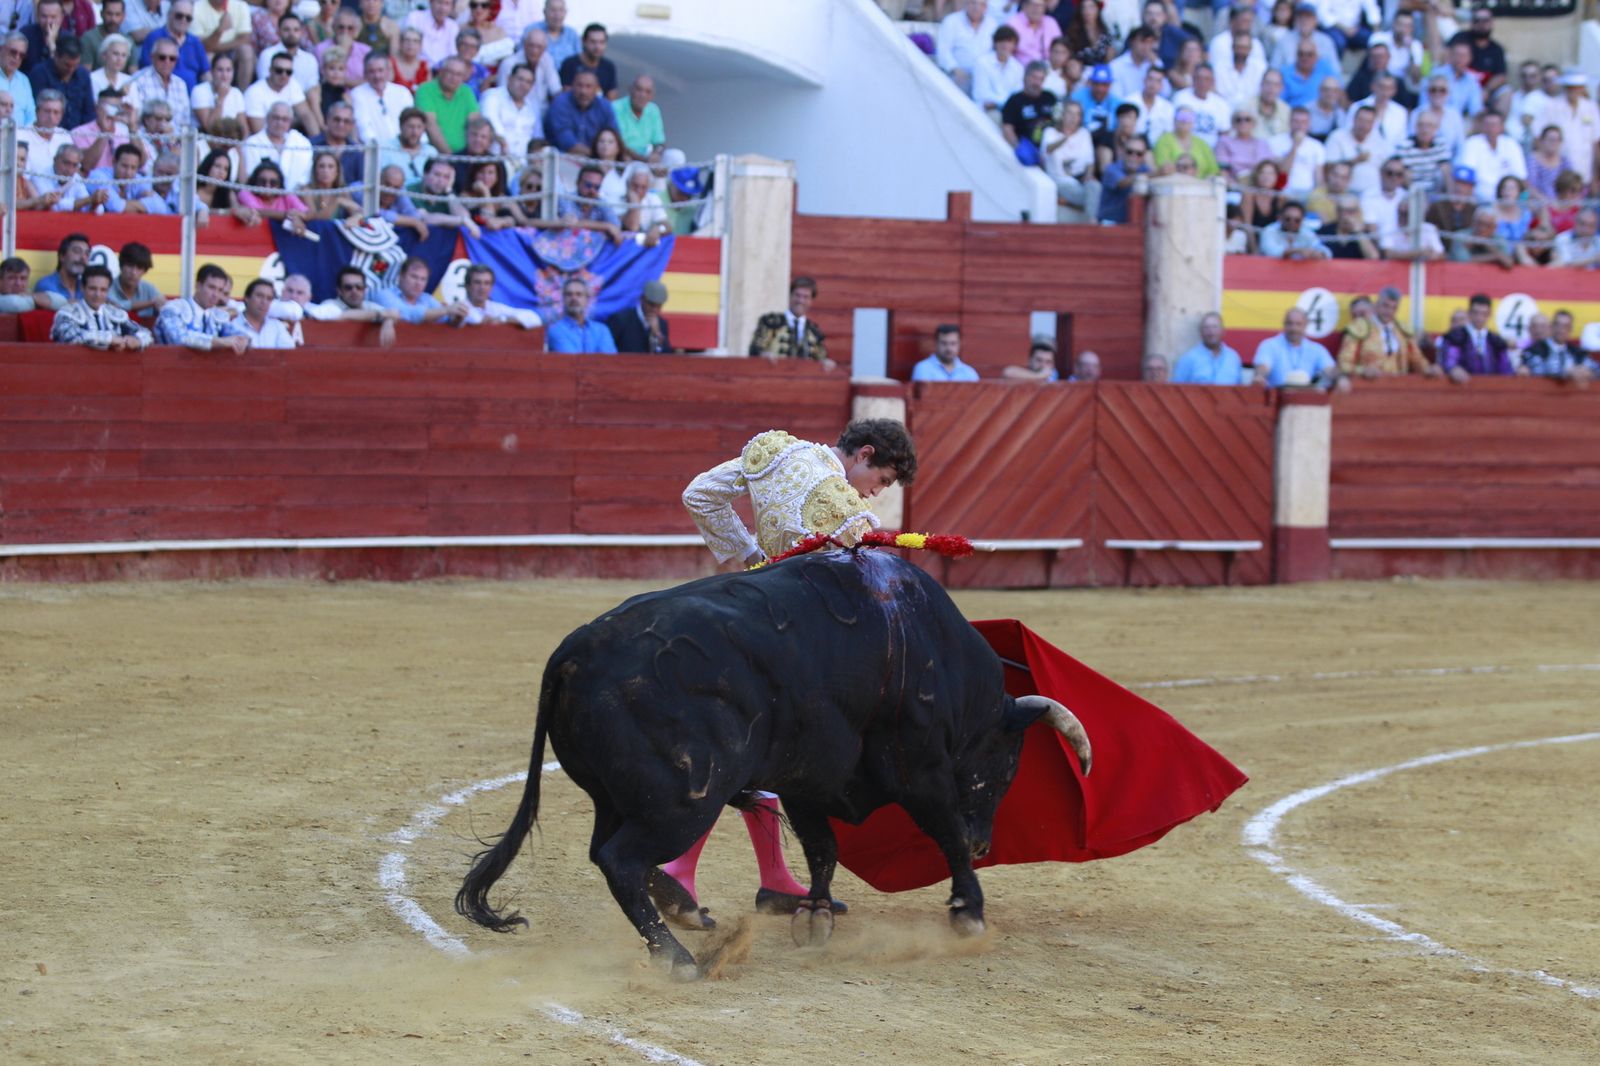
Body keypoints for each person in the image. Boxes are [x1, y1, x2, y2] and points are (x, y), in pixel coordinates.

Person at [665, 419, 918, 923]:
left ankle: (771, 879)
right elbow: (867, 579)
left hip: (750, 616)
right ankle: (679, 869)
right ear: (864, 453)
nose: (877, 491)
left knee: (761, 751)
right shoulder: (845, 510)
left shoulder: (775, 453)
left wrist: (749, 558)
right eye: (883, 479)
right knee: (754, 753)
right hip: (798, 642)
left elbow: (699, 495)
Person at [50, 264, 154, 349]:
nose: (98, 295)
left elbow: (144, 333)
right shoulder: (68, 313)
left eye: (103, 290)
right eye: (92, 289)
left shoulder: (114, 314)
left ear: (108, 290)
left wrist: (137, 341)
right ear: (82, 288)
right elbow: (69, 336)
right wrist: (109, 339)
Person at [1337, 286, 1432, 378]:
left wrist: (1427, 369)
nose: (1389, 311)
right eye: (1385, 306)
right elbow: (1343, 364)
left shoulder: (1402, 331)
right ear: (1376, 305)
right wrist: (1363, 371)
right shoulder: (1359, 328)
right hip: (1367, 387)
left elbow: (1416, 359)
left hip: (1399, 387)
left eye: (1393, 308)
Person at [155, 263, 250, 352]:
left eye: (220, 290)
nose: (216, 295)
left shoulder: (218, 315)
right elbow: (179, 338)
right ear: (198, 285)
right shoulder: (173, 309)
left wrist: (244, 340)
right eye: (211, 287)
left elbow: (236, 334)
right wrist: (220, 342)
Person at [307, 264, 399, 347]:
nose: (354, 291)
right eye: (348, 287)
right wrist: (380, 315)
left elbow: (396, 313)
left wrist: (388, 321)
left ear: (365, 290)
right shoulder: (329, 305)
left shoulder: (369, 306)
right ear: (339, 291)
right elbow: (342, 315)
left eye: (359, 287)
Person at [749, 277, 829, 368]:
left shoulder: (814, 331)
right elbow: (755, 350)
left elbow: (822, 358)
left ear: (811, 301)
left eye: (806, 297)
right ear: (790, 296)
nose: (800, 301)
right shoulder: (770, 323)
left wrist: (826, 362)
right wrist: (764, 354)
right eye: (797, 295)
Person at [1437, 294, 1517, 383]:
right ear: (1469, 313)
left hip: (1491, 387)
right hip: (1462, 387)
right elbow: (1449, 360)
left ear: (1489, 314)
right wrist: (1453, 368)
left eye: (1484, 314)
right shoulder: (1455, 336)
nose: (1479, 317)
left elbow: (1505, 368)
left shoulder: (1496, 340)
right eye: (1476, 313)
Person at [1539, 69, 1598, 189]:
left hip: (1584, 173)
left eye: (1577, 87)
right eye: (1570, 87)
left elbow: (1596, 143)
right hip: (1558, 174)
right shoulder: (1551, 106)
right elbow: (1539, 138)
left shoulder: (1591, 107)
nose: (1573, 90)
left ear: (1582, 88)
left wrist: (1595, 177)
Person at [1253, 307, 1337, 389]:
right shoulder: (1269, 345)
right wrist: (1260, 376)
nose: (1294, 328)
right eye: (1290, 323)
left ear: (1305, 326)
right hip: (1277, 398)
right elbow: (1263, 366)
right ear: (1284, 324)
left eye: (1298, 324)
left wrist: (1340, 377)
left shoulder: (1317, 350)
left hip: (1306, 398)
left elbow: (1329, 370)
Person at [541, 66, 612, 153]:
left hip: (595, 159)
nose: (583, 91)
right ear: (572, 86)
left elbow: (614, 136)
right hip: (561, 158)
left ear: (596, 89)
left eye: (588, 86)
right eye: (579, 85)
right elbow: (568, 143)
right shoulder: (560, 103)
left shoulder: (605, 106)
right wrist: (597, 156)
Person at [350, 49, 414, 144]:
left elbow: (411, 121)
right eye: (372, 71)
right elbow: (363, 127)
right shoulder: (357, 94)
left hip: (405, 149)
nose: (377, 76)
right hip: (373, 150)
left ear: (388, 71)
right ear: (365, 73)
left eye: (380, 70)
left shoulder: (402, 92)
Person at [936, 0, 999, 96]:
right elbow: (943, 50)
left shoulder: (993, 24)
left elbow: (995, 51)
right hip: (956, 74)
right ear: (966, 4)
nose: (976, 7)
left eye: (981, 4)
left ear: (986, 8)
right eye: (973, 3)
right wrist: (954, 68)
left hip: (983, 77)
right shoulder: (952, 21)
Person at [544, 274, 615, 353]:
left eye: (579, 294)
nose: (574, 298)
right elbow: (571, 361)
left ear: (587, 299)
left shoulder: (601, 330)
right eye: (569, 294)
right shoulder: (555, 330)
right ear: (563, 299)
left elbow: (609, 360)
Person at [456, 263, 540, 329]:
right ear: (467, 286)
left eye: (487, 283)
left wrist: (503, 320)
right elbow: (475, 320)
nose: (482, 288)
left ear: (491, 287)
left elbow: (534, 318)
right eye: (477, 282)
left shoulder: (496, 308)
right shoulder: (458, 307)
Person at [1521, 310, 1594, 382]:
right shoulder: (1535, 349)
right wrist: (1566, 372)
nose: (1561, 330)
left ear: (1570, 329)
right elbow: (1538, 371)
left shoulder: (1577, 352)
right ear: (1552, 326)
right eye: (1558, 325)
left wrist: (1588, 372)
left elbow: (1595, 369)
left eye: (1565, 326)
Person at [1172, 312, 1243, 385]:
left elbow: (1240, 389)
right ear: (1200, 332)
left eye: (1215, 327)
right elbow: (1176, 390)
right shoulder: (1188, 359)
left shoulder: (1233, 358)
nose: (1211, 331)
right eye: (1206, 327)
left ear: (1223, 331)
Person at [606, 278, 671, 353]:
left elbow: (666, 357)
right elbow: (608, 350)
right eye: (651, 305)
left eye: (659, 306)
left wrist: (657, 335)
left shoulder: (662, 324)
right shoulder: (621, 320)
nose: (655, 310)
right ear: (642, 299)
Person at [107, 241, 165, 323]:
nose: (133, 272)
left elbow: (163, 306)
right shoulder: (108, 286)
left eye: (139, 268)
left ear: (144, 271)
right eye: (130, 266)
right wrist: (150, 303)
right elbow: (117, 305)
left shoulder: (149, 289)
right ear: (121, 265)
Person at [973, 24, 1023, 117]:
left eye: (1009, 41)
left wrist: (1002, 103)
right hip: (985, 110)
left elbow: (1017, 94)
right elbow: (981, 94)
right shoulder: (982, 63)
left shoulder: (1018, 67)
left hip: (1009, 110)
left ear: (1014, 45)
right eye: (1001, 41)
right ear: (995, 43)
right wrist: (1006, 102)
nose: (1005, 45)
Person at [233, 277, 296, 348]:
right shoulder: (233, 325)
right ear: (247, 298)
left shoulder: (277, 326)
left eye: (269, 298)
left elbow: (289, 354)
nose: (264, 302)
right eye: (259, 296)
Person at [1258, 201, 1328, 260]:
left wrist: (1320, 254)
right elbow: (1271, 252)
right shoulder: (1269, 231)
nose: (1292, 223)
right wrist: (1297, 251)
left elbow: (1325, 250)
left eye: (1297, 220)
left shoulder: (1306, 233)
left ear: (1302, 220)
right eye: (1288, 219)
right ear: (1279, 218)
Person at [911, 324, 979, 382]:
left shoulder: (969, 373)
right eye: (944, 343)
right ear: (936, 343)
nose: (949, 348)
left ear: (959, 344)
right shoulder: (923, 369)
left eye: (953, 343)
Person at [33, 231, 88, 302]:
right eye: (77, 251)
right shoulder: (46, 286)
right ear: (62, 256)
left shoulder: (86, 288)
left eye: (87, 253)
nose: (83, 257)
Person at [0, 256, 64, 311]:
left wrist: (32, 296)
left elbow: (62, 302)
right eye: (12, 278)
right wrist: (39, 302)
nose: (18, 283)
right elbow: (15, 304)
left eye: (23, 278)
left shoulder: (29, 295)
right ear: (1, 280)